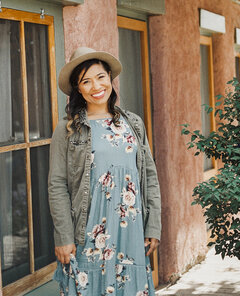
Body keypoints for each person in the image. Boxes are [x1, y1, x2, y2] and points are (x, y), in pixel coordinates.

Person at [48, 46, 161, 296]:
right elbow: (57, 186)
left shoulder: (133, 123)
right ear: (78, 89)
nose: (96, 86)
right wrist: (64, 237)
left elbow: (149, 177)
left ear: (110, 78)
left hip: (130, 231)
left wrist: (153, 226)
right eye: (86, 81)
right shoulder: (67, 129)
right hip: (88, 234)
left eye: (100, 77)